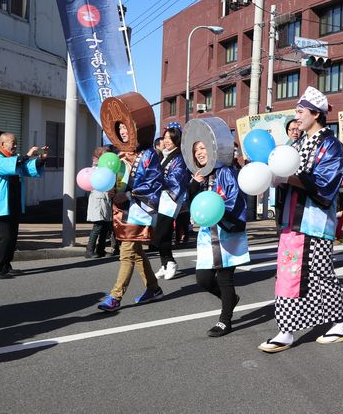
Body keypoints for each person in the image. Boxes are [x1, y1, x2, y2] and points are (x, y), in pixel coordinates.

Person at [258, 86, 343, 353]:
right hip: (292, 219)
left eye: (300, 111)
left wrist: (289, 178)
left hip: (315, 220)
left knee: (321, 273)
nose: (296, 116)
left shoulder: (332, 145)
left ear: (315, 113)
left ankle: (339, 322)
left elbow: (325, 183)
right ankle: (286, 329)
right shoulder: (296, 144)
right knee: (287, 273)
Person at [98, 123, 164, 311]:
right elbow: (113, 178)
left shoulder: (148, 154)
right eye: (120, 130)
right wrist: (112, 190)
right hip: (122, 210)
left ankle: (115, 296)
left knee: (126, 252)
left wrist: (127, 194)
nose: (123, 132)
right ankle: (153, 288)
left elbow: (154, 182)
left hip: (140, 209)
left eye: (126, 128)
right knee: (136, 252)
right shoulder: (118, 154)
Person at [190, 136, 249, 337]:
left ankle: (225, 321)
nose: (199, 152)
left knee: (225, 278)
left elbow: (235, 200)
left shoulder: (225, 172)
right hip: (208, 235)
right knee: (203, 279)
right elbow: (192, 204)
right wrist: (194, 184)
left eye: (203, 147)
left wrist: (220, 211)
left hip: (226, 233)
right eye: (196, 149)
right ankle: (230, 299)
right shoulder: (201, 176)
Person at [0, 133, 46, 279]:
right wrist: (28, 155)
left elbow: (27, 168)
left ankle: (5, 266)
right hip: (2, 206)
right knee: (4, 238)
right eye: (13, 143)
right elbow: (10, 166)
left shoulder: (12, 160)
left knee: (12, 239)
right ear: (2, 144)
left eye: (16, 142)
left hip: (13, 204)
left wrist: (41, 160)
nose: (16, 145)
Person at [153, 125, 191, 279]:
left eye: (170, 138)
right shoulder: (164, 156)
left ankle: (170, 262)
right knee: (162, 233)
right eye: (165, 138)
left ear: (177, 140)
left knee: (163, 232)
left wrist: (157, 180)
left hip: (171, 199)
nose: (166, 141)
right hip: (161, 198)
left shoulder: (179, 157)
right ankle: (164, 263)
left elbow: (177, 179)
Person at [85, 146, 113, 259]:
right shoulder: (95, 169)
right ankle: (89, 250)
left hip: (106, 198)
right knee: (98, 225)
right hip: (98, 198)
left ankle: (101, 249)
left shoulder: (107, 169)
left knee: (105, 226)